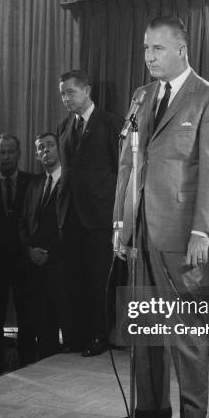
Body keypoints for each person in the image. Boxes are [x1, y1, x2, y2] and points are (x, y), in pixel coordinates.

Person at [113, 16, 209, 418]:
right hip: (141, 229)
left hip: (183, 233)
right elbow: (129, 164)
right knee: (143, 326)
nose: (148, 57)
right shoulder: (141, 96)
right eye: (145, 49)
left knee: (185, 329)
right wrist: (121, 226)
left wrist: (204, 231)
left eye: (157, 49)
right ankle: (150, 410)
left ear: (181, 50)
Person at [57, 70, 123, 356]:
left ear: (86, 91)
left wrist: (118, 215)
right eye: (62, 94)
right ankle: (78, 334)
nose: (65, 98)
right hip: (70, 215)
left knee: (98, 279)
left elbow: (123, 171)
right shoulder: (63, 127)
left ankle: (100, 335)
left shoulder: (111, 124)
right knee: (74, 277)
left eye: (70, 92)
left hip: (99, 216)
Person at [0, 134, 33, 375]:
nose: (6, 156)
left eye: (11, 152)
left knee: (27, 317)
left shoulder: (32, 183)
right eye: (1, 152)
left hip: (25, 262)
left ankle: (28, 365)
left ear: (19, 154)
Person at [20, 132, 70, 358]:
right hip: (35, 266)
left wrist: (52, 253)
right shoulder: (34, 183)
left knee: (69, 328)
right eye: (40, 148)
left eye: (50, 146)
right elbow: (24, 223)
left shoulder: (71, 181)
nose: (45, 151)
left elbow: (74, 225)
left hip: (63, 265)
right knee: (43, 328)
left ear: (60, 149)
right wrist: (30, 251)